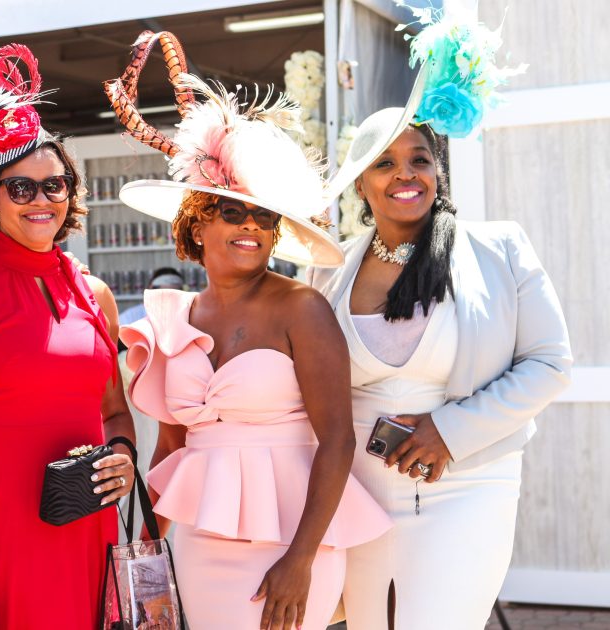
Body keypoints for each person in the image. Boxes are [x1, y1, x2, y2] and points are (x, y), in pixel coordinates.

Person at [105, 30, 391, 630]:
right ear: (196, 226)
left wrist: (302, 559)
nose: (250, 228)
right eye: (231, 211)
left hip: (294, 539)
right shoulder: (172, 317)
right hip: (202, 540)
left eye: (263, 217)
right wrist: (144, 559)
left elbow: (337, 438)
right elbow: (172, 446)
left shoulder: (301, 308)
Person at [308, 14, 572, 627]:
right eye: (385, 163)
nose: (406, 174)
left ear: (437, 171)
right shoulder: (330, 273)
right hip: (362, 494)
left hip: (468, 481)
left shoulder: (498, 250)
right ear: (362, 185)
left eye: (419, 159)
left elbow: (550, 364)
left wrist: (448, 431)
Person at [0, 44, 136, 628]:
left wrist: (123, 454)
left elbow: (114, 412)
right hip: (4, 531)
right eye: (21, 189)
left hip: (92, 529)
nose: (42, 201)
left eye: (55, 185)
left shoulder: (96, 293)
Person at [118, 267, 185, 327]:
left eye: (175, 296)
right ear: (150, 291)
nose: (169, 301)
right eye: (164, 295)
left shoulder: (187, 319)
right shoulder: (129, 318)